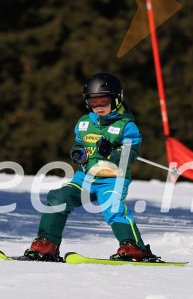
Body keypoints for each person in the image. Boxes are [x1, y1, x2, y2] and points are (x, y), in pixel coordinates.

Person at [25, 72, 156, 262]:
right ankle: (47, 244)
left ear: (116, 99)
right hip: (85, 177)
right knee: (58, 197)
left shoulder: (127, 127)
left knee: (113, 208)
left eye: (103, 101)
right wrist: (78, 153)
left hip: (112, 180)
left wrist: (111, 152)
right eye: (93, 102)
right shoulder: (84, 123)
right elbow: (79, 144)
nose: (98, 107)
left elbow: (130, 154)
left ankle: (134, 247)